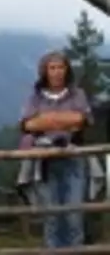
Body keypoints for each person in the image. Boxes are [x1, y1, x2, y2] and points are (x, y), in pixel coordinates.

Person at [17, 50, 93, 248]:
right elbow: (28, 125)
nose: (57, 72)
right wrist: (64, 120)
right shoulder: (35, 97)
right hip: (45, 163)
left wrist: (46, 120)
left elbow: (81, 119)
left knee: (74, 217)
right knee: (52, 218)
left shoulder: (77, 94)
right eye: (52, 68)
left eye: (61, 67)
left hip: (73, 160)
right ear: (45, 71)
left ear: (67, 70)